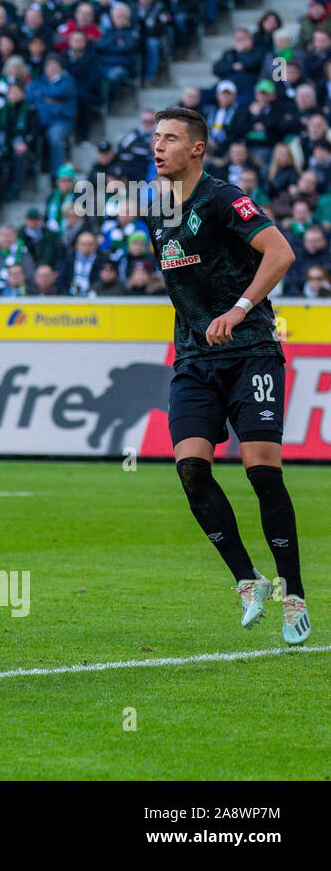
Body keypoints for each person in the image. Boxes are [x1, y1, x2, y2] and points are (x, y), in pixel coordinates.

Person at [146, 106, 308, 643]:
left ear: (197, 149)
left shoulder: (222, 197)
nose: (159, 146)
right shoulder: (156, 210)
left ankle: (294, 595)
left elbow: (280, 252)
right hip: (194, 360)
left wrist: (239, 308)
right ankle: (248, 580)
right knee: (190, 469)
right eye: (155, 137)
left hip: (252, 351)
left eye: (170, 138)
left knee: (261, 471)